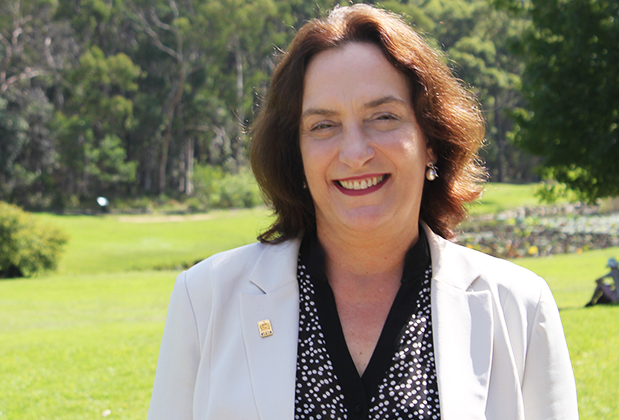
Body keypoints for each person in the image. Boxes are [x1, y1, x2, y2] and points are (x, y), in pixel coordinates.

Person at [148, 5, 578, 420]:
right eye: (323, 125)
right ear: (295, 153)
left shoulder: (519, 305)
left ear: (430, 140)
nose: (355, 153)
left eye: (383, 117)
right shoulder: (204, 300)